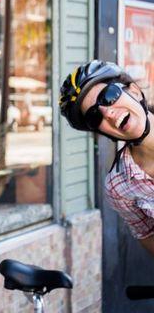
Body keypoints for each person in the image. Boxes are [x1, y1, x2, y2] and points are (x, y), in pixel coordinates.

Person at [59, 60, 154, 255]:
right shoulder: (118, 186)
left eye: (109, 96)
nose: (108, 112)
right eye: (94, 116)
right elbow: (149, 239)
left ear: (134, 91)